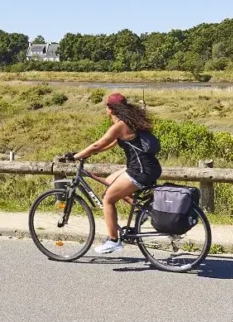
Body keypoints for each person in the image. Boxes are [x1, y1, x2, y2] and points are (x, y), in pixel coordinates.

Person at [63, 92, 161, 255]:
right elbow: (110, 144)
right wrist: (89, 153)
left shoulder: (120, 126)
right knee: (109, 181)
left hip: (141, 171)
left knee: (108, 198)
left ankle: (113, 240)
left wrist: (76, 156)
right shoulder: (129, 123)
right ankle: (139, 210)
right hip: (147, 167)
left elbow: (97, 144)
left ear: (110, 109)